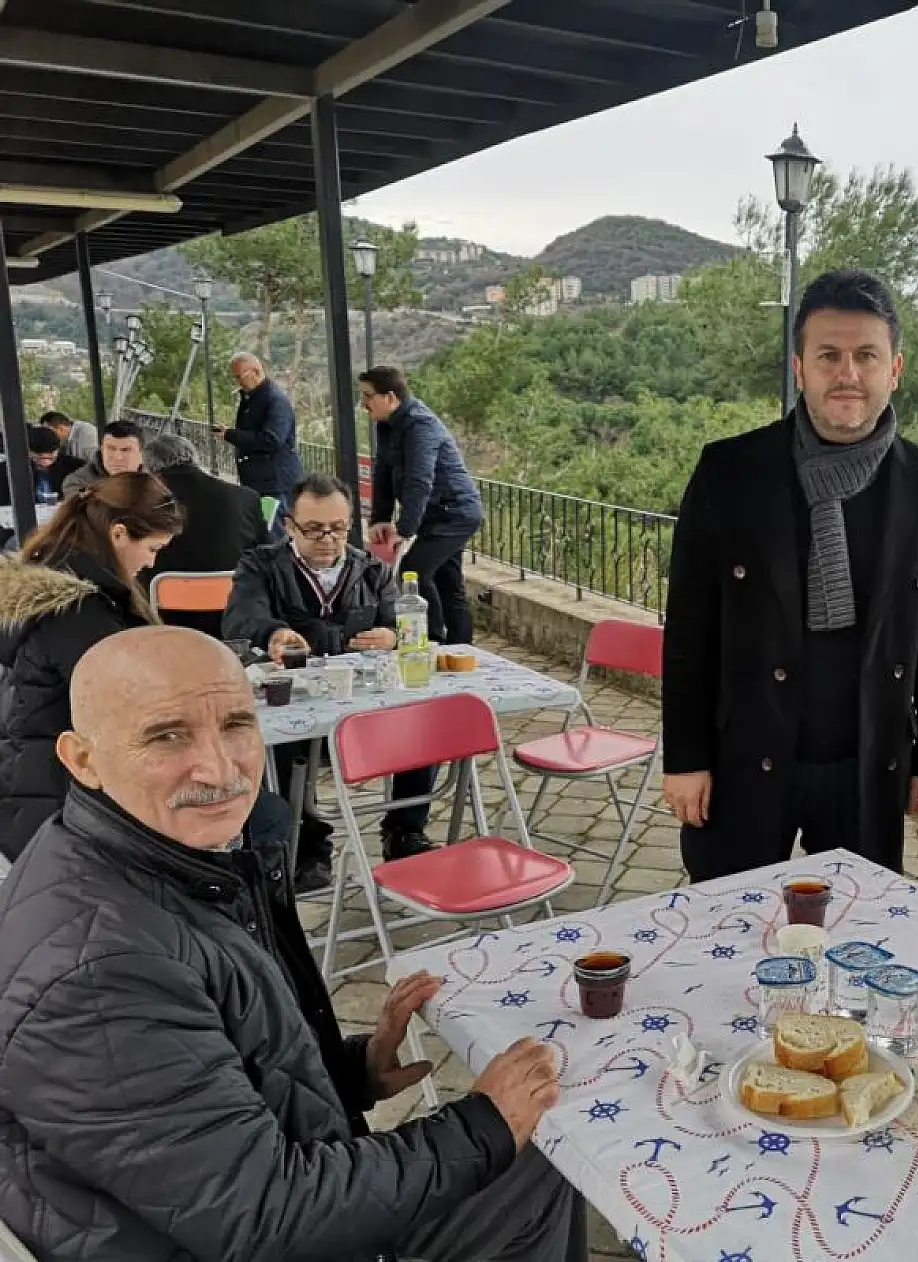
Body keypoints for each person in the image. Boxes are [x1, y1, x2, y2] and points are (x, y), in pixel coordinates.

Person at [0, 627, 587, 1262]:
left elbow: (206, 1087)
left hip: (237, 1207)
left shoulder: (163, 859)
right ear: (81, 757)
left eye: (236, 723)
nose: (220, 767)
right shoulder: (99, 971)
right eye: (166, 735)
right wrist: (486, 1125)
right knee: (544, 1142)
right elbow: (268, 1219)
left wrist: (352, 1070)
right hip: (262, 1232)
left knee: (547, 1143)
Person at [661, 268, 918, 881]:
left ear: (894, 369)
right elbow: (690, 628)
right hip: (744, 753)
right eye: (828, 355)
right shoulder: (730, 471)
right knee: (729, 922)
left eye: (865, 356)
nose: (847, 373)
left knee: (856, 931)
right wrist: (685, 758)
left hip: (865, 763)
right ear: (800, 367)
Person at [224, 473, 438, 886]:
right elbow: (241, 618)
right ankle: (307, 847)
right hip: (300, 698)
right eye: (314, 529)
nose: (328, 539)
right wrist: (273, 634)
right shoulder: (260, 565)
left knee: (423, 720)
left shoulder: (372, 569)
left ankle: (405, 831)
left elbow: (402, 622)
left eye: (338, 528)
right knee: (284, 747)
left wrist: (392, 635)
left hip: (364, 700)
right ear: (289, 526)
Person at [0, 472, 182, 861]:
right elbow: (131, 704)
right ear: (118, 533)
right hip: (66, 807)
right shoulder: (82, 613)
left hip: (33, 786)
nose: (151, 562)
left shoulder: (55, 580)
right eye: (153, 548)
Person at [363, 364, 484, 645]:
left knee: (414, 571)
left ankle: (431, 640)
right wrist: (379, 518)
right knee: (447, 581)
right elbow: (382, 470)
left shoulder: (420, 425)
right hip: (435, 513)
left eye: (368, 396)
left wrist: (404, 530)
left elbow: (420, 480)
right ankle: (459, 648)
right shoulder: (387, 425)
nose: (364, 404)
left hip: (454, 511)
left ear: (390, 397)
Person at [142, 433, 268, 638]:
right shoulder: (246, 497)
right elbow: (264, 552)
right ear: (195, 459)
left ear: (150, 469)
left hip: (167, 615)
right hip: (233, 609)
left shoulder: (145, 504)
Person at [219, 352, 305, 508]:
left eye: (240, 377)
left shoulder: (275, 400)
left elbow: (272, 439)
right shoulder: (253, 398)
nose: (238, 382)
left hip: (275, 482)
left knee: (275, 528)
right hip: (260, 480)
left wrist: (232, 435)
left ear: (256, 372)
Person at [0, 425, 84, 505]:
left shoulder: (75, 466)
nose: (45, 462)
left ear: (58, 450)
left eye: (51, 455)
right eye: (39, 456)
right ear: (26, 451)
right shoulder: (8, 469)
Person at [59, 417, 144, 495]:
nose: (118, 457)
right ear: (102, 450)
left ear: (140, 455)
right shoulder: (78, 482)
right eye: (111, 449)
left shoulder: (154, 483)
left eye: (126, 450)